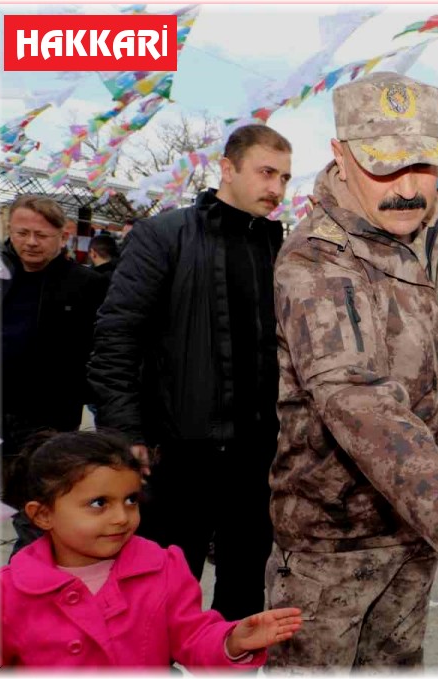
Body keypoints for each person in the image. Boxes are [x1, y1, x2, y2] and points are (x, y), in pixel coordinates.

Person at [266, 72, 438, 670]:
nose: (409, 189)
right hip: (334, 541)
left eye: (423, 165)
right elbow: (357, 400)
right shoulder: (316, 259)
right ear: (340, 155)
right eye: (384, 167)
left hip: (419, 528)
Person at [87, 124, 293, 622]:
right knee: (157, 599)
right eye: (266, 172)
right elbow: (115, 339)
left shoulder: (282, 251)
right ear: (228, 168)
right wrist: (125, 433)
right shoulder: (165, 235)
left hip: (258, 459)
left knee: (244, 599)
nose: (277, 189)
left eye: (285, 177)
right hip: (177, 456)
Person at [0, 430, 302, 668]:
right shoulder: (7, 592)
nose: (121, 517)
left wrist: (232, 641)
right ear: (42, 515)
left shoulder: (161, 568)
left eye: (130, 500)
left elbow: (192, 636)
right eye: (99, 504)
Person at [0, 195, 108, 554]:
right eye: (23, 232)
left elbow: (102, 350)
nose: (31, 242)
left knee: (38, 513)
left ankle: (25, 592)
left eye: (41, 235)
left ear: (64, 236)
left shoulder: (86, 285)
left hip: (48, 421)